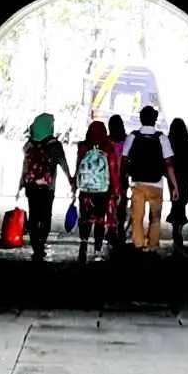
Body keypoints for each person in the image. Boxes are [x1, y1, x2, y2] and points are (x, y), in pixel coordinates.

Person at [18, 113, 72, 260]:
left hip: (32, 187)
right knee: (46, 216)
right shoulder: (55, 145)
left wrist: (21, 183)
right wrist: (71, 180)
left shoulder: (29, 144)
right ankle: (41, 242)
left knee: (34, 215)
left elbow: (25, 166)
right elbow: (63, 164)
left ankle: (36, 246)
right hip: (48, 188)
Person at [123, 105, 172, 253]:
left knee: (137, 217)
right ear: (155, 119)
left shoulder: (133, 137)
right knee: (155, 218)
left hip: (137, 183)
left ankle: (138, 245)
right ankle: (153, 245)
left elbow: (124, 160)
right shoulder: (162, 138)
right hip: (156, 184)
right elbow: (169, 164)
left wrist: (123, 179)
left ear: (141, 119)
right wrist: (174, 185)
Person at [73, 119, 116, 261]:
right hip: (103, 190)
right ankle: (97, 247)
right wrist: (115, 188)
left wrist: (74, 182)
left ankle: (84, 241)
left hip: (85, 189)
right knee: (99, 218)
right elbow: (113, 169)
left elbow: (79, 165)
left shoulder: (83, 146)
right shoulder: (108, 147)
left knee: (85, 217)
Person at [167, 116, 188, 250]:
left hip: (173, 177)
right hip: (185, 179)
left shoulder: (169, 142)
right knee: (182, 202)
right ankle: (178, 228)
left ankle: (176, 226)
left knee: (175, 201)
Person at [104, 113, 131, 250]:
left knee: (110, 204)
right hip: (122, 178)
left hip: (107, 178)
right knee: (121, 204)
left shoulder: (106, 141)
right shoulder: (126, 141)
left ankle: (110, 229)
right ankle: (120, 229)